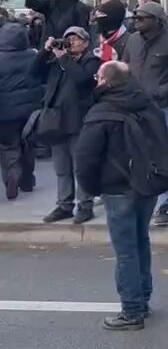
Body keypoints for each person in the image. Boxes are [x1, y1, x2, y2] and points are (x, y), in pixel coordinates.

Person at [74, 61, 165, 331]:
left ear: (104, 81)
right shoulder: (147, 104)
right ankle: (143, 299)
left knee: (125, 251)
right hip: (146, 184)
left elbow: (85, 157)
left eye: (98, 76)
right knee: (141, 242)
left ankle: (131, 310)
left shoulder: (101, 112)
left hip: (117, 188)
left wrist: (92, 188)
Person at [121, 2, 168, 227]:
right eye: (136, 17)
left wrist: (163, 90)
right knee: (135, 152)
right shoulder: (133, 40)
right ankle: (141, 198)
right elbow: (124, 65)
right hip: (134, 106)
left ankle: (166, 203)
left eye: (142, 18)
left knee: (164, 152)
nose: (136, 21)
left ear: (156, 20)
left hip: (164, 107)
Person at [37, 26, 101, 223]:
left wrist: (64, 58)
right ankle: (64, 205)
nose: (70, 42)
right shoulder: (57, 60)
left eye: (75, 39)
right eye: (67, 39)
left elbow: (83, 80)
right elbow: (35, 73)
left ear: (86, 42)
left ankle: (85, 205)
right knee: (61, 167)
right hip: (56, 120)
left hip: (79, 119)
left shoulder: (91, 61)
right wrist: (46, 51)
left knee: (79, 166)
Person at [0, 21, 41, 200]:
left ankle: (11, 177)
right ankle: (27, 180)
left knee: (9, 146)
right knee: (27, 145)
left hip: (5, 111)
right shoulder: (33, 55)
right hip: (29, 110)